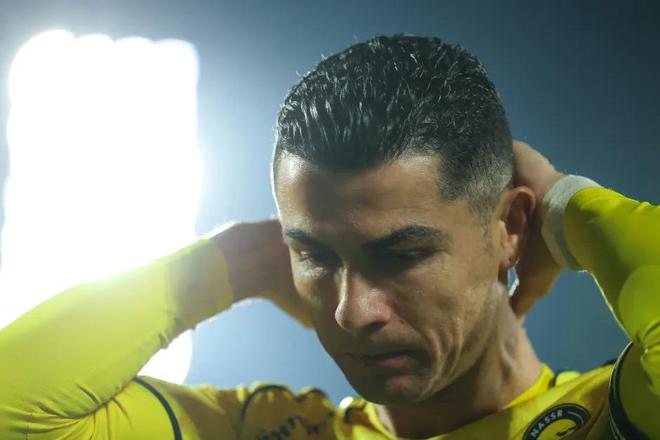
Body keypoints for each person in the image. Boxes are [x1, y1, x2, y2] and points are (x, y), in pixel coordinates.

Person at [0, 34, 658, 439]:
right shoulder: (262, 432)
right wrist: (238, 259)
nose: (351, 312)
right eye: (313, 254)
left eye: (401, 255)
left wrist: (566, 203)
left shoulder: (608, 416)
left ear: (510, 228)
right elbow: (13, 411)